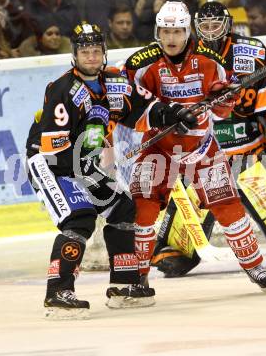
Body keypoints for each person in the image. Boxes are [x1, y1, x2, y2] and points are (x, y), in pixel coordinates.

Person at [25, 22, 196, 317]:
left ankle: (123, 285)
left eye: (95, 51)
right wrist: (91, 168)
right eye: (84, 51)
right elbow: (55, 150)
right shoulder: (62, 90)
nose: (91, 57)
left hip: (83, 165)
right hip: (51, 164)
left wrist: (174, 114)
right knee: (80, 219)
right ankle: (58, 292)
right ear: (75, 55)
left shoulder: (114, 83)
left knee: (122, 210)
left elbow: (146, 107)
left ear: (103, 53)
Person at [151, 1, 266, 277]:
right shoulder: (181, 57)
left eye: (215, 25)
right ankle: (175, 248)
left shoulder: (251, 51)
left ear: (228, 25)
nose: (210, 32)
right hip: (201, 155)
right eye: (204, 26)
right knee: (174, 253)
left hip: (248, 152)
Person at [124, 1, 266, 293]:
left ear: (188, 31)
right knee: (142, 209)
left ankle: (255, 267)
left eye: (178, 31)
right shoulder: (140, 63)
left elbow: (221, 111)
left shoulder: (210, 60)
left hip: (201, 146)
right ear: (158, 31)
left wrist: (226, 97)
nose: (171, 38)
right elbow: (131, 108)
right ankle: (138, 277)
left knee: (227, 205)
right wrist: (166, 113)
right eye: (165, 31)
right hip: (159, 149)